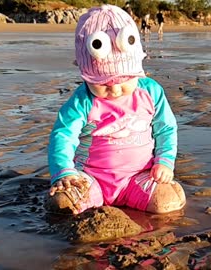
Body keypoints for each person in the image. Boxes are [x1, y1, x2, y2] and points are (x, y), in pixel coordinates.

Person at [47, 4, 186, 215]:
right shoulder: (83, 100)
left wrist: (165, 161)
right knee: (64, 203)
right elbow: (63, 136)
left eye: (123, 79)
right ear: (84, 72)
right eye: (103, 82)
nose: (115, 88)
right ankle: (85, 196)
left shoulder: (151, 92)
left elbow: (165, 129)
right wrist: (64, 172)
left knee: (169, 202)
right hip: (92, 177)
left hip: (138, 176)